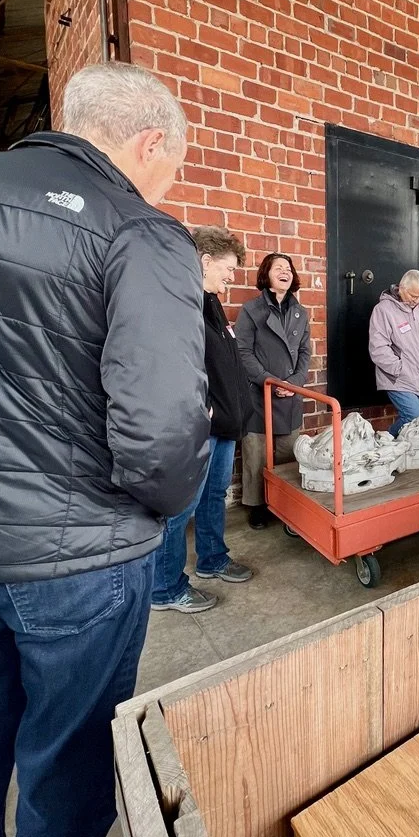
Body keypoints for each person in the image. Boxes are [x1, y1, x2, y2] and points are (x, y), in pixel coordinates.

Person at [0, 62, 210, 837]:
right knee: (63, 790)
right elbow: (159, 431)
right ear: (149, 142)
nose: (168, 190)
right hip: (78, 563)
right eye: (172, 169)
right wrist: (170, 514)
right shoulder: (138, 232)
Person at [151, 227, 255, 612]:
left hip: (224, 424)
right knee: (181, 508)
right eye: (228, 268)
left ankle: (212, 560)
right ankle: (164, 588)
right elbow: (173, 364)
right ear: (205, 261)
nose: (232, 277)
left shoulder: (210, 302)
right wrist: (201, 410)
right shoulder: (181, 301)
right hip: (200, 427)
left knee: (214, 496)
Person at [235, 252, 310, 531]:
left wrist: (295, 382)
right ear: (266, 275)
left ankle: (286, 503)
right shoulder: (251, 310)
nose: (285, 272)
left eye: (288, 268)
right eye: (278, 268)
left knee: (288, 449)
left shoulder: (301, 312)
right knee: (256, 451)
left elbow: (305, 351)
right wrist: (269, 381)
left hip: (290, 393)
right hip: (259, 392)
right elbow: (242, 351)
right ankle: (256, 505)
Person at [368, 270, 419, 435]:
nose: (417, 301)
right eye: (413, 296)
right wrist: (399, 369)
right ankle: (384, 441)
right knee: (417, 419)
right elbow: (378, 347)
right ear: (401, 288)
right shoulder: (383, 309)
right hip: (397, 378)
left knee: (414, 427)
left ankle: (398, 452)